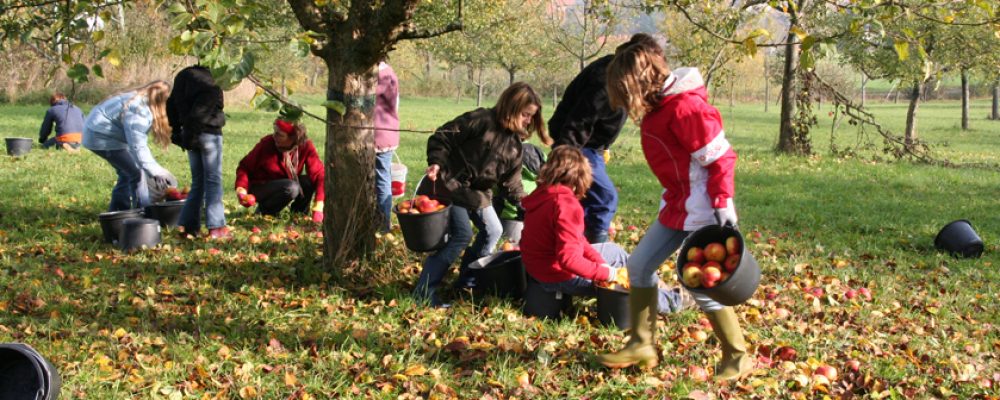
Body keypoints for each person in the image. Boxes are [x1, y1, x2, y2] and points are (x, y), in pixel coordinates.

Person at [597, 42, 753, 380]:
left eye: (627, 92)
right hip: (677, 206)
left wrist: (722, 202)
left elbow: (721, 157)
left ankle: (738, 356)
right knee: (638, 266)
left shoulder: (686, 108)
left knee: (700, 285)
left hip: (704, 209)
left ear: (641, 82)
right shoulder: (661, 108)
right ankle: (642, 344)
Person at [414, 82, 553, 307]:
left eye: (531, 117)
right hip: (451, 184)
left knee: (494, 230)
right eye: (525, 114)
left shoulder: (515, 147)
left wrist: (531, 207)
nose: (528, 121)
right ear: (512, 107)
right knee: (462, 234)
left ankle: (467, 283)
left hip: (478, 194)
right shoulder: (481, 120)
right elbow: (443, 136)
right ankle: (423, 291)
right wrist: (436, 162)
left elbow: (512, 184)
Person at [520, 146, 691, 313]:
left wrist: (599, 262)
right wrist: (609, 274)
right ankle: (672, 302)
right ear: (580, 177)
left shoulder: (543, 194)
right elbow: (569, 260)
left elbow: (576, 240)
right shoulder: (566, 205)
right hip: (557, 276)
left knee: (616, 253)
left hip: (539, 268)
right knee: (623, 283)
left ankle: (657, 285)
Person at [547, 33, 663, 244]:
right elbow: (578, 122)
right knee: (605, 198)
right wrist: (564, 161)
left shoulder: (618, 71)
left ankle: (577, 244)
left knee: (585, 201)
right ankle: (596, 247)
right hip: (579, 144)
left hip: (594, 145)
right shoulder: (605, 82)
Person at [82, 81, 174, 211]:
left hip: (96, 133)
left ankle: (118, 210)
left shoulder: (138, 99)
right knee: (137, 173)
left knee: (127, 172)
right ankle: (143, 210)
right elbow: (137, 146)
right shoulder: (139, 111)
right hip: (101, 137)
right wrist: (156, 172)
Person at [167, 65, 230, 239]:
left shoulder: (183, 76)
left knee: (198, 182)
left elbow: (171, 104)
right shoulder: (211, 81)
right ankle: (216, 227)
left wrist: (177, 130)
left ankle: (188, 225)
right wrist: (189, 132)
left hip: (189, 134)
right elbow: (202, 109)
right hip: (209, 133)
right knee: (213, 180)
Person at [234, 118, 325, 223]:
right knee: (291, 187)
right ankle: (265, 211)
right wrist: (241, 189)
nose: (274, 136)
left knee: (307, 181)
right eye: (275, 132)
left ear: (293, 138)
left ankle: (299, 214)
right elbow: (244, 167)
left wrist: (319, 206)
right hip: (261, 186)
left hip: (287, 183)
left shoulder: (305, 146)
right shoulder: (267, 144)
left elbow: (319, 174)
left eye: (279, 135)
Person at [491, 142, 545, 247]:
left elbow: (499, 184)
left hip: (509, 212)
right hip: (531, 211)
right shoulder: (537, 151)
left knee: (505, 250)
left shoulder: (505, 152)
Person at [374, 60, 400, 232]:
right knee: (383, 179)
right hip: (388, 130)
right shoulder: (390, 72)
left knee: (381, 181)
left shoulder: (378, 75)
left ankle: (382, 225)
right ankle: (382, 223)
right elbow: (396, 104)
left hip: (376, 132)